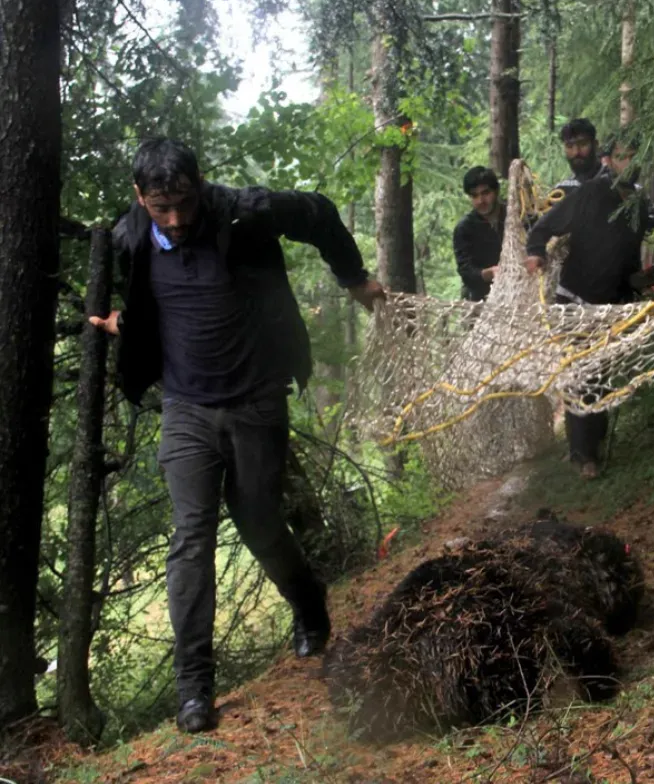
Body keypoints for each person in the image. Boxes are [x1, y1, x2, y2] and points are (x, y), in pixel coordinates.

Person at [89, 138, 386, 733]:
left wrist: (354, 280)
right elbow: (139, 297)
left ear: (201, 183)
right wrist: (130, 324)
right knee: (191, 537)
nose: (174, 217)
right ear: (140, 197)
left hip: (256, 400)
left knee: (258, 520)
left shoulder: (244, 211)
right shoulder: (127, 235)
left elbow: (321, 213)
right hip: (186, 409)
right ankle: (195, 688)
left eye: (183, 202)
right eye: (160, 207)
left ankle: (308, 604)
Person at [524, 136, 654, 479]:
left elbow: (631, 255)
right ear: (607, 161)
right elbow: (545, 226)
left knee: (600, 375)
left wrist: (644, 285)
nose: (627, 162)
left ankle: (590, 446)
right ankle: (584, 457)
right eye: (620, 157)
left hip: (612, 305)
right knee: (582, 374)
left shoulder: (640, 205)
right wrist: (536, 252)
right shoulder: (589, 194)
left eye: (633, 157)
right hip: (576, 300)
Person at [453, 166, 505, 301]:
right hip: (480, 299)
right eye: (474, 195)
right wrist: (488, 273)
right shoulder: (465, 228)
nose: (480, 201)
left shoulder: (515, 216)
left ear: (496, 191)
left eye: (485, 193)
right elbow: (465, 271)